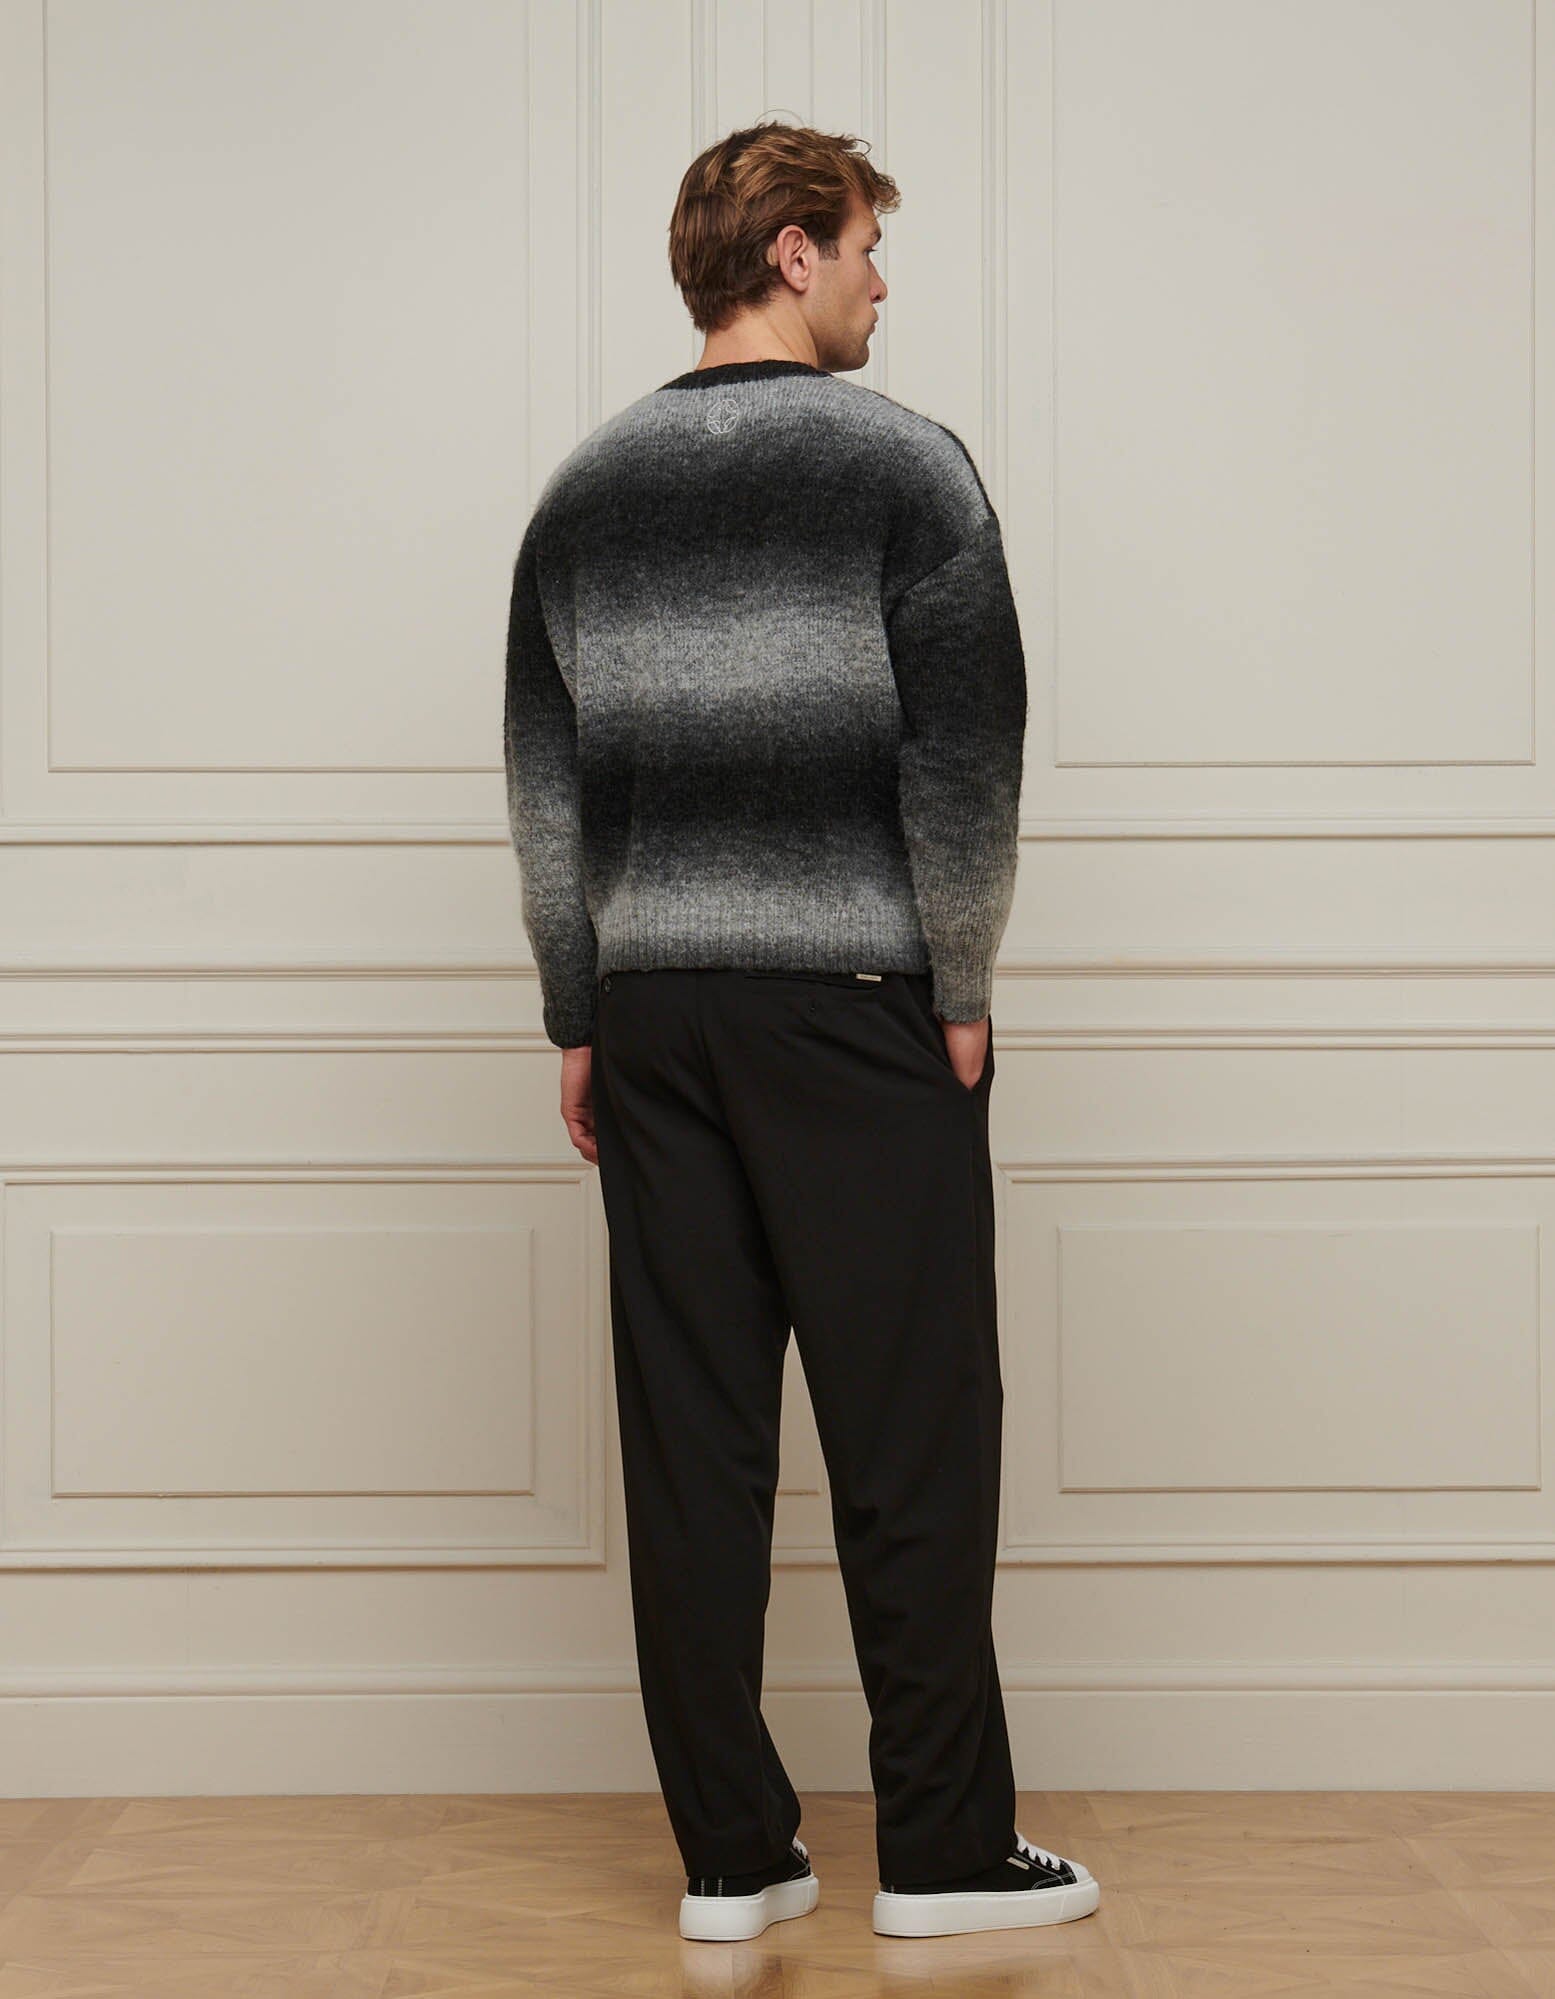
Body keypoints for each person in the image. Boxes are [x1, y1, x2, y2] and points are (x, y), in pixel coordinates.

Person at [502, 118, 1100, 1945]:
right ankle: (942, 1854)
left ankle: (733, 1860)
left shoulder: (583, 494)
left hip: (655, 1013)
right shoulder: (905, 471)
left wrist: (581, 1011)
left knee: (691, 1446)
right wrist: (963, 982)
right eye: (864, 248)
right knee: (912, 1430)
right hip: (853, 1006)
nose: (879, 283)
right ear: (791, 254)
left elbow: (545, 792)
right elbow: (968, 765)